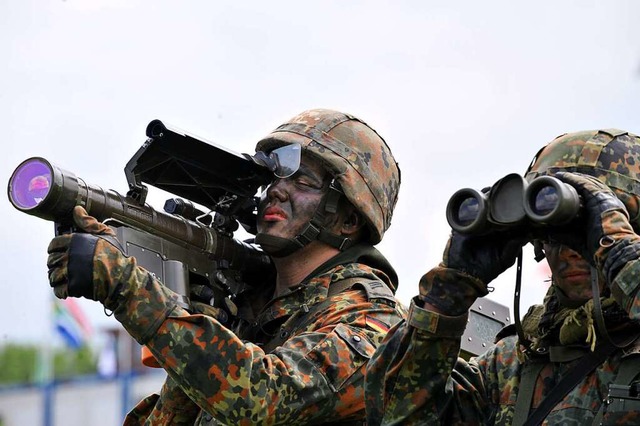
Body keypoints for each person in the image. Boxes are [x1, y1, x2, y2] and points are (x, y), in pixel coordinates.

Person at [46, 109, 405, 425]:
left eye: (303, 182)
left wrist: (130, 289)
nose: (276, 192)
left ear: (348, 219)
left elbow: (264, 401)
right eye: (274, 179)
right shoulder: (254, 312)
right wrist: (201, 332)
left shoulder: (374, 321)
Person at [365, 129, 640, 425]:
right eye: (558, 232)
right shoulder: (511, 363)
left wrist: (621, 257)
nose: (572, 251)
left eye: (588, 231)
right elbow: (395, 415)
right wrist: (446, 295)